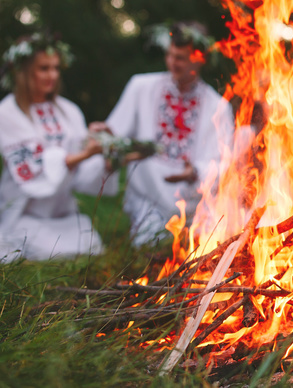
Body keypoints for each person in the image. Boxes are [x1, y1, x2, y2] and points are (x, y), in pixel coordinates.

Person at [105, 21, 234, 246]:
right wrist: (105, 138)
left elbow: (225, 163)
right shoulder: (141, 87)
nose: (172, 63)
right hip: (148, 198)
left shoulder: (218, 106)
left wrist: (195, 171)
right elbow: (115, 136)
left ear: (200, 58)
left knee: (215, 245)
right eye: (170, 55)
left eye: (180, 58)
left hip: (195, 202)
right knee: (151, 242)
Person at [0, 33, 117, 262]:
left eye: (56, 68)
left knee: (90, 244)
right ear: (23, 71)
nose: (52, 75)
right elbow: (31, 165)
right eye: (44, 68)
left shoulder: (69, 111)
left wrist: (104, 152)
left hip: (62, 214)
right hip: (24, 214)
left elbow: (82, 174)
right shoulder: (7, 112)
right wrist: (83, 154)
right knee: (50, 251)